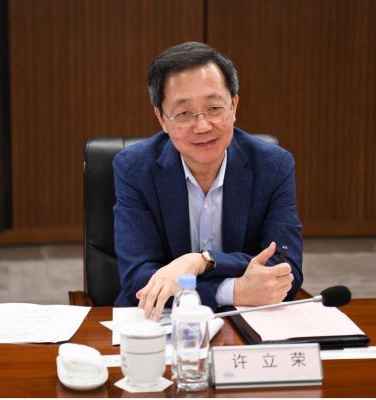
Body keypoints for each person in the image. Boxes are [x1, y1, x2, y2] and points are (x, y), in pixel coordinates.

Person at [113, 42, 303, 320]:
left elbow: (286, 270)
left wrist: (201, 261)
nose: (202, 126)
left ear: (234, 106)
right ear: (161, 119)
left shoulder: (273, 166)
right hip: (159, 324)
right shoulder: (134, 169)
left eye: (214, 108)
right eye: (184, 113)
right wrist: (232, 291)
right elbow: (138, 280)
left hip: (250, 323)